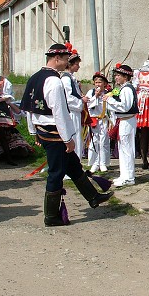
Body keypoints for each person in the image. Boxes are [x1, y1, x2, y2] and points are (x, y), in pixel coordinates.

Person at [20, 43, 113, 226]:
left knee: (74, 166)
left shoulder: (35, 77)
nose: (67, 62)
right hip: (55, 134)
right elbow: (59, 113)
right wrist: (68, 139)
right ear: (57, 58)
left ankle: (93, 197)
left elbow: (29, 109)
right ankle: (51, 216)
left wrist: (34, 131)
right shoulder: (54, 81)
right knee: (56, 173)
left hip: (44, 130)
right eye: (65, 59)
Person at [104, 63, 138, 187]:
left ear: (125, 77)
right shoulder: (121, 88)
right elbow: (113, 95)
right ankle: (124, 175)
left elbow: (125, 106)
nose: (116, 77)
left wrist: (110, 101)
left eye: (119, 75)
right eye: (116, 75)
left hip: (127, 120)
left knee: (127, 148)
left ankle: (129, 177)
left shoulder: (127, 89)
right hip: (122, 121)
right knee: (122, 148)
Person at [61, 46, 87, 161]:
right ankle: (72, 167)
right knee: (74, 138)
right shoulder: (66, 79)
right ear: (70, 64)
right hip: (71, 112)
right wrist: (81, 101)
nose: (78, 66)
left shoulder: (71, 78)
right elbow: (68, 98)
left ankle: (76, 164)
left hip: (75, 112)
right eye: (77, 64)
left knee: (77, 138)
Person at [85, 72, 111, 173]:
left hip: (104, 120)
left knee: (104, 141)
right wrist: (95, 96)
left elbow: (110, 108)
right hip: (94, 120)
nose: (98, 84)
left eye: (100, 82)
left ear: (104, 83)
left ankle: (103, 162)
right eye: (96, 82)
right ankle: (95, 163)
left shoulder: (108, 93)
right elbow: (88, 105)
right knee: (94, 141)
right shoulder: (90, 93)